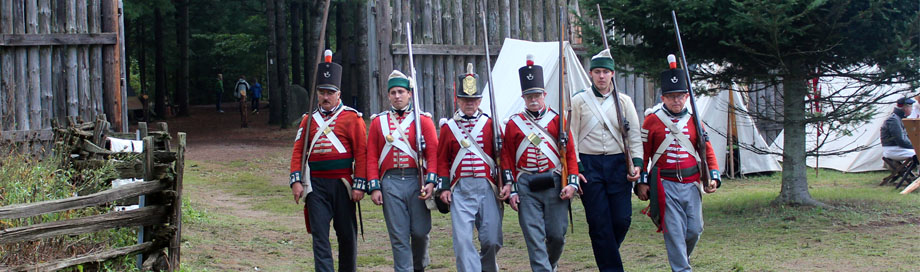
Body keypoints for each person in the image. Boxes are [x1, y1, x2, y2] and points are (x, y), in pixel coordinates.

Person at [635, 55, 721, 272]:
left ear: (686, 97)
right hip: (665, 184)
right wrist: (642, 182)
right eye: (671, 96)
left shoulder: (694, 119)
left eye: (680, 96)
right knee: (673, 232)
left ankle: (681, 261)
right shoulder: (651, 120)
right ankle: (682, 269)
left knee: (694, 230)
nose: (676, 101)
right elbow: (643, 155)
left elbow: (707, 150)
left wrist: (714, 174)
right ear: (663, 98)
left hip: (692, 182)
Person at [288, 50, 367, 272]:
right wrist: (296, 181)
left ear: (338, 94)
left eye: (330, 92)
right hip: (316, 186)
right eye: (322, 92)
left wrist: (359, 184)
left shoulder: (353, 118)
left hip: (343, 184)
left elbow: (361, 153)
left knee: (347, 236)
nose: (325, 97)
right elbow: (297, 152)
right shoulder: (308, 120)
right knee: (320, 237)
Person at [500, 55, 579, 272]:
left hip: (554, 181)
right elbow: (506, 157)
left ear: (544, 95)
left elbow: (570, 154)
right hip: (526, 183)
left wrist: (571, 183)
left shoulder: (556, 119)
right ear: (523, 98)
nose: (533, 99)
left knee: (557, 235)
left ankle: (550, 265)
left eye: (537, 95)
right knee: (534, 238)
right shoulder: (514, 123)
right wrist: (513, 189)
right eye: (529, 96)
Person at [570, 49, 643, 272]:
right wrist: (578, 167)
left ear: (612, 75)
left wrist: (637, 163)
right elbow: (571, 136)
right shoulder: (579, 101)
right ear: (590, 74)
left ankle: (606, 253)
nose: (602, 76)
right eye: (597, 72)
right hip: (589, 165)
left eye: (606, 72)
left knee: (622, 219)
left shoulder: (624, 101)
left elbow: (634, 135)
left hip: (618, 164)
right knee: (599, 222)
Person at [366, 70, 438, 272]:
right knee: (398, 235)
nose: (397, 96)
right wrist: (374, 186)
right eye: (393, 92)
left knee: (420, 232)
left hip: (417, 181)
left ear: (409, 94)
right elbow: (372, 156)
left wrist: (431, 182)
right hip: (391, 182)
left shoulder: (423, 120)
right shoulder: (378, 122)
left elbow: (433, 154)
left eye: (401, 91)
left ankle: (418, 266)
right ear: (388, 95)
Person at [436, 64, 502, 272]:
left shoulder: (491, 124)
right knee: (463, 242)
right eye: (465, 100)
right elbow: (442, 160)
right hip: (461, 189)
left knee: (492, 239)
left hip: (487, 187)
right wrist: (444, 187)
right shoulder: (449, 127)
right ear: (458, 100)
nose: (469, 104)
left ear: (480, 101)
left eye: (473, 100)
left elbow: (501, 156)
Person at [881, 97, 917, 162]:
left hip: (898, 148)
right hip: (894, 149)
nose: (912, 109)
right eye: (911, 107)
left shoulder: (898, 118)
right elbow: (900, 140)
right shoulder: (893, 120)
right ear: (905, 108)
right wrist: (916, 146)